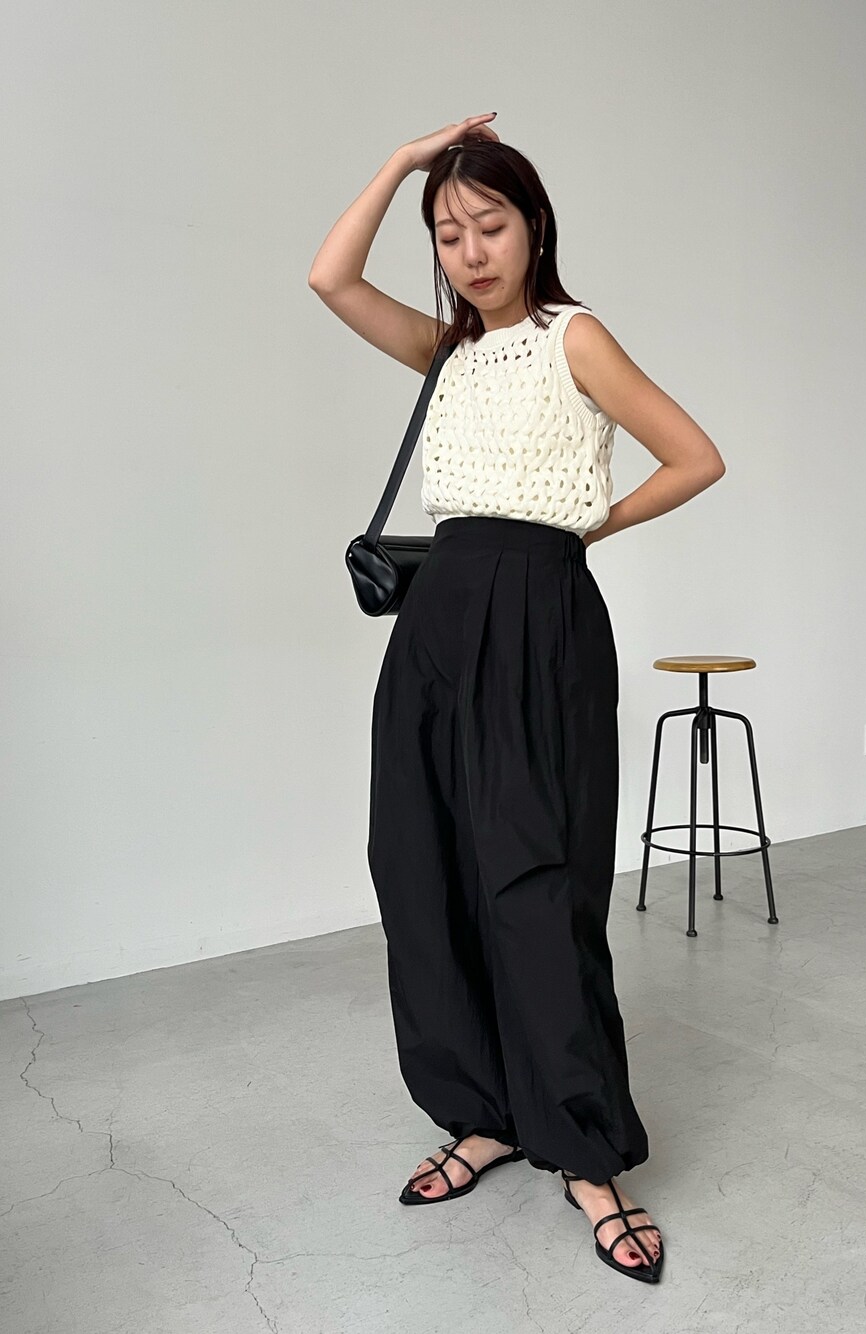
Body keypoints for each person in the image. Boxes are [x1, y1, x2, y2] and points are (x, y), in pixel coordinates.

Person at [308, 115, 725, 1284]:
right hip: (436, 621)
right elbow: (329, 278)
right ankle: (481, 1112)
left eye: (488, 225)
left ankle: (586, 1151)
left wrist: (583, 527)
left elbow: (694, 455)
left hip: (541, 616)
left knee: (537, 884)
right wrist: (401, 164)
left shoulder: (571, 337)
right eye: (447, 234)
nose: (470, 252)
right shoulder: (444, 351)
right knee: (421, 868)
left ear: (533, 226)